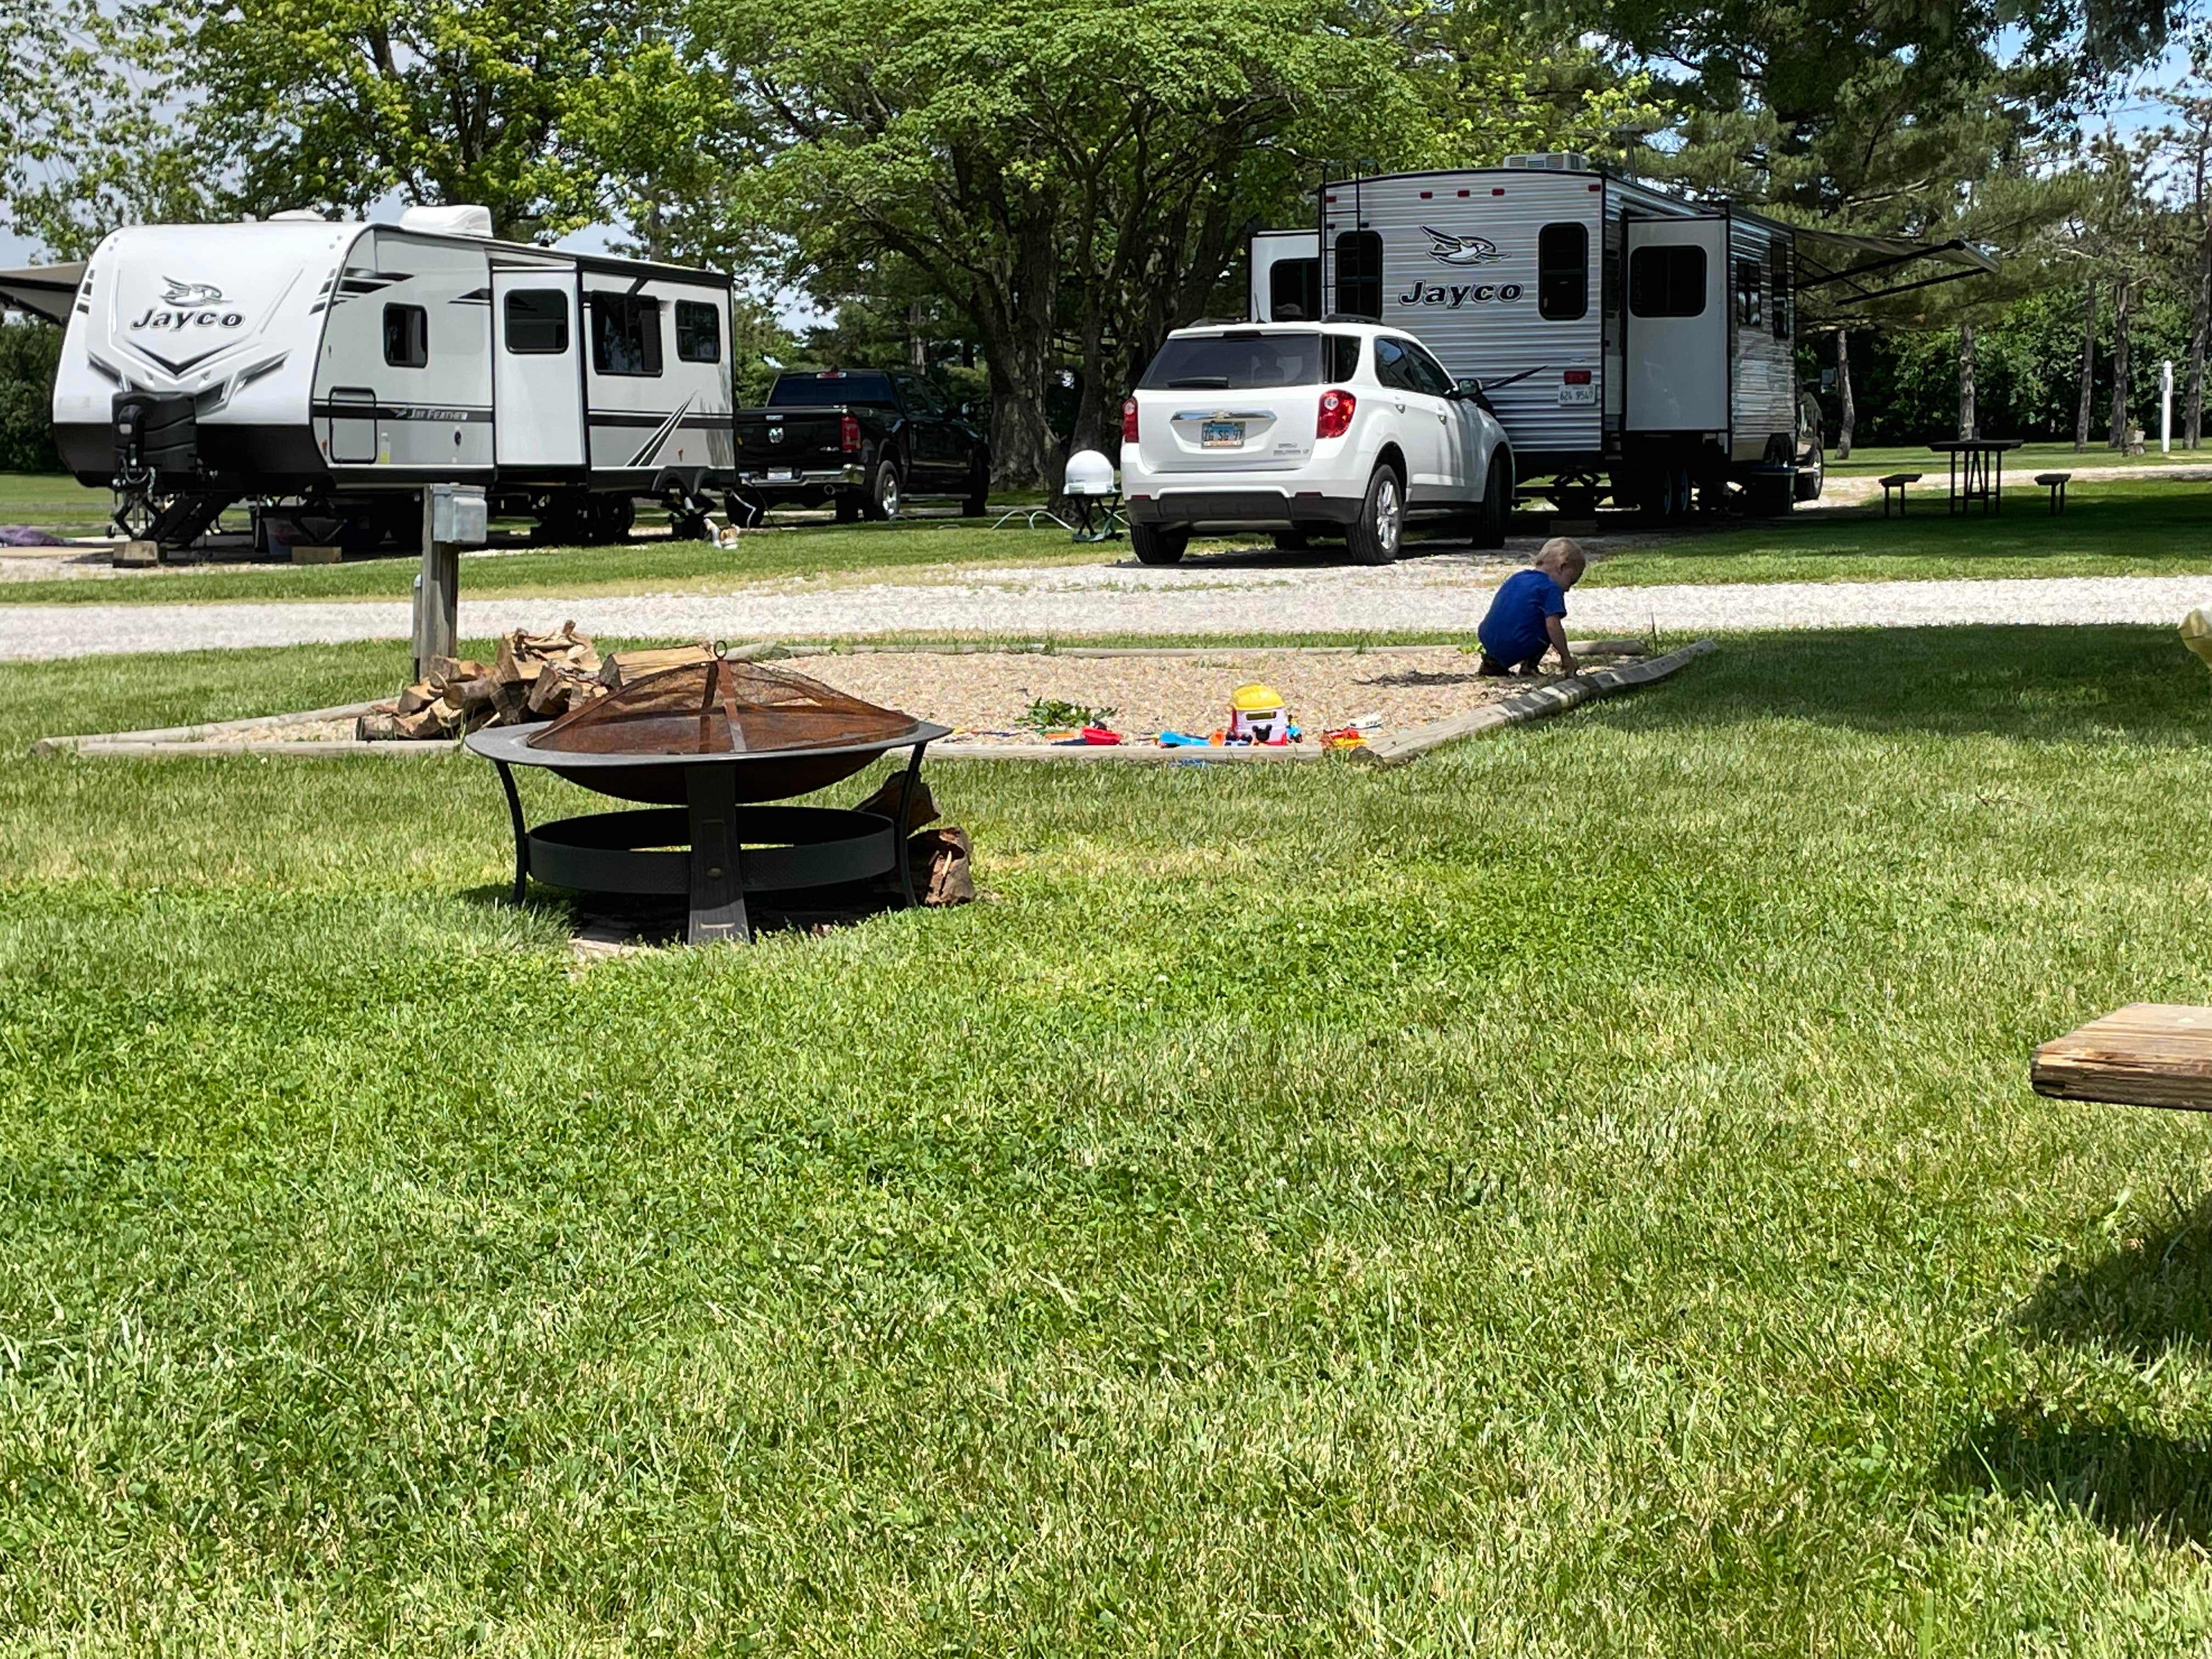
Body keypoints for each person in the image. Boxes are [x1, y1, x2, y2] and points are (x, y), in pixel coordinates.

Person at [1476, 538, 1585, 676]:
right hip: (1516, 642)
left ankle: (1493, 664)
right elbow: (1553, 626)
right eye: (1570, 582)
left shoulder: (1519, 577)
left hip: (1487, 636)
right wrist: (1566, 657)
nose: (1568, 590)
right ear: (1562, 567)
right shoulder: (1550, 587)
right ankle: (1530, 667)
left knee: (1528, 618)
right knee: (1548, 626)